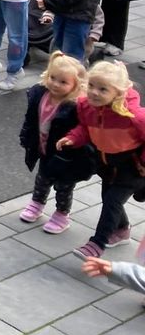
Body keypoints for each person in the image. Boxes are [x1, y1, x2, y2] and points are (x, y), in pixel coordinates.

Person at [59, 59, 145, 259]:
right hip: (107, 163)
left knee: (112, 200)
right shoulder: (87, 107)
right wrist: (72, 138)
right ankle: (122, 229)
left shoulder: (133, 115)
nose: (94, 92)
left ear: (118, 92)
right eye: (91, 86)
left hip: (132, 165)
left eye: (103, 89)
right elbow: (85, 129)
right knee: (109, 199)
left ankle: (97, 243)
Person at [18, 52, 92, 235]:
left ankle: (62, 214)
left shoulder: (75, 106)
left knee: (64, 185)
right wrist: (26, 136)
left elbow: (83, 130)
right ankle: (37, 203)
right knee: (42, 178)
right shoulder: (39, 94)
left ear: (76, 85)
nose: (55, 84)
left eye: (63, 82)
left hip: (66, 155)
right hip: (44, 147)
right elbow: (31, 118)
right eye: (53, 78)